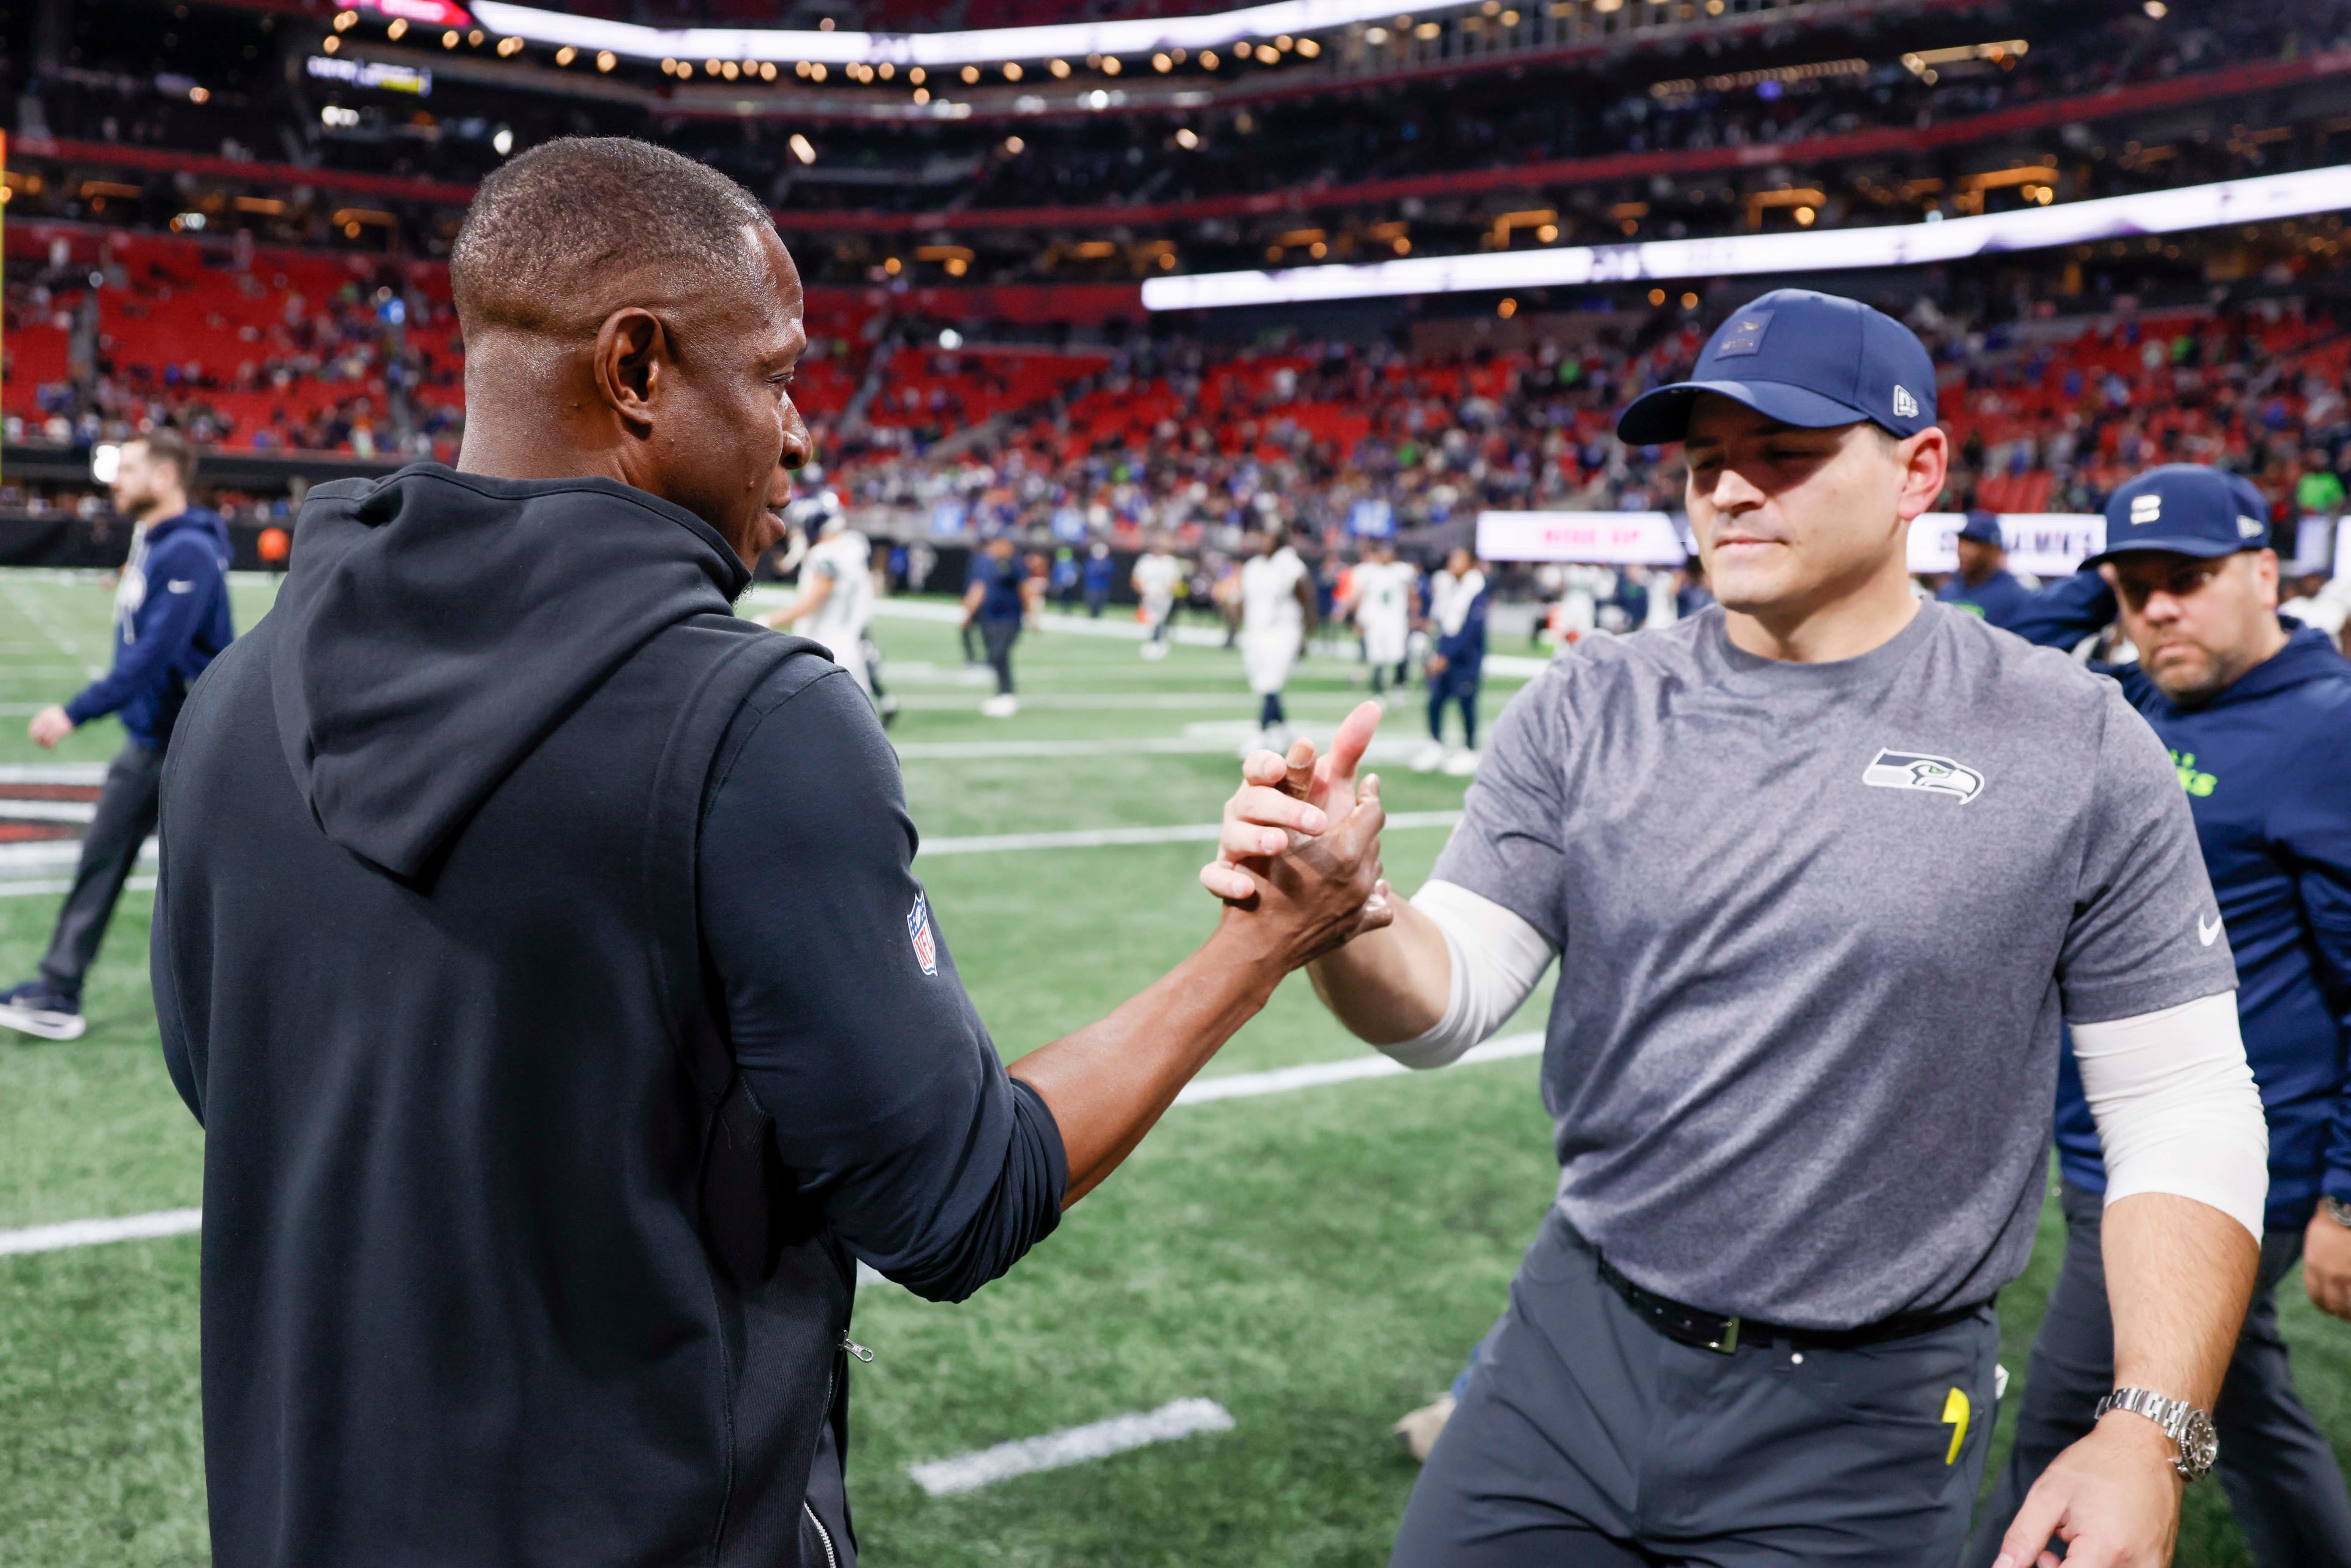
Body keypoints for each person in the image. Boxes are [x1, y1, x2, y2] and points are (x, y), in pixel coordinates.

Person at [149, 137, 1390, 1568]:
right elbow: (956, 1194)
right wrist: (1261, 942)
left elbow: (227, 1078)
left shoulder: (238, 695)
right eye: (779, 372)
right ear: (637, 369)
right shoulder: (754, 717)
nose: (803, 432)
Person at [1202, 288, 2268, 1568]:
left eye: (1787, 453)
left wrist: (2149, 1425)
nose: (1732, 492)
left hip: (1864, 1409)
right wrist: (1345, 915)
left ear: (1918, 468)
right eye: (1709, 461)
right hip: (1570, 1339)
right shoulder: (1588, 699)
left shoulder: (2074, 738)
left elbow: (2184, 1103)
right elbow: (1449, 998)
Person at [1968, 463, 2351, 1568]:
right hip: (2107, 1144)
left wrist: (2346, 1198)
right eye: (2135, 590)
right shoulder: (2134, 700)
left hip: (2219, 1170)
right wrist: (2116, 598)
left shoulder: (2327, 734)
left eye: (2189, 578)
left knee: (2067, 1432)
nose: (2157, 610)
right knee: (2251, 1409)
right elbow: (2002, 672)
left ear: (2269, 573)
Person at [0, 429, 231, 1042]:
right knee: (111, 861)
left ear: (164, 478)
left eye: (128, 468)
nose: (116, 480)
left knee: (216, 884)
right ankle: (57, 985)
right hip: (161, 741)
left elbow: (155, 655)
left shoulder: (187, 550)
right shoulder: (156, 541)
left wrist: (76, 709)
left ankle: (60, 987)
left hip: (188, 745)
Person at [759, 489, 895, 727]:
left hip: (825, 647)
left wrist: (768, 621)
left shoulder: (824, 555)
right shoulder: (853, 547)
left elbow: (812, 602)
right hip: (848, 643)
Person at [1239, 522, 1315, 754]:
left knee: (1271, 683)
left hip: (1283, 630)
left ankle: (1260, 733)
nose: (1264, 542)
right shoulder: (1254, 567)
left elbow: (1305, 598)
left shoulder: (1290, 565)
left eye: (1269, 538)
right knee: (1264, 684)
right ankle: (1285, 732)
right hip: (1256, 631)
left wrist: (1306, 634)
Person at [1414, 547, 1487, 776]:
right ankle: (1436, 745)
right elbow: (1439, 620)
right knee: (1435, 702)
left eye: (1459, 559)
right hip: (1443, 654)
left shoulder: (1477, 590)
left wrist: (1447, 656)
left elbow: (1471, 631)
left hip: (1465, 659)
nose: (1454, 563)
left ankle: (1470, 750)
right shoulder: (1447, 587)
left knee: (1466, 704)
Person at [962, 532, 1033, 718]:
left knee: (999, 654)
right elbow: (979, 588)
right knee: (995, 656)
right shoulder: (984, 562)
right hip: (989, 618)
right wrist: (969, 611)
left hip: (1010, 618)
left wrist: (1032, 616)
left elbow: (1025, 588)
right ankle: (1001, 693)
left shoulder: (1015, 563)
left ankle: (1007, 694)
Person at [1936, 509, 2034, 627]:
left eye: (1973, 544)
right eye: (1962, 542)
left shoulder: (2016, 597)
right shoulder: (1947, 591)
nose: (1963, 551)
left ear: (1994, 550)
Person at [1353, 537, 1415, 697]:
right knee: (1376, 656)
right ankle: (1378, 691)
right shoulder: (1370, 572)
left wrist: (1414, 615)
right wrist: (1359, 618)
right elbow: (1362, 595)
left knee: (1399, 655)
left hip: (1396, 620)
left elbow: (1412, 595)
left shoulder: (1402, 571)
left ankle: (1399, 687)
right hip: (1376, 621)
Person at [1132, 535, 1184, 660]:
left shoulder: (1170, 562)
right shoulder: (1146, 561)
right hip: (1149, 596)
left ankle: (1158, 642)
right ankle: (1154, 641)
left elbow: (1175, 581)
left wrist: (1165, 591)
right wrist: (1144, 592)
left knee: (1160, 619)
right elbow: (1136, 578)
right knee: (1150, 620)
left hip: (1163, 596)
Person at [1082, 539, 1116, 618]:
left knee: (1100, 604)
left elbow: (1111, 571)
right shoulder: (1091, 561)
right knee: (1091, 603)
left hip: (1103, 587)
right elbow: (1087, 571)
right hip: (1091, 587)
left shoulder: (1108, 562)